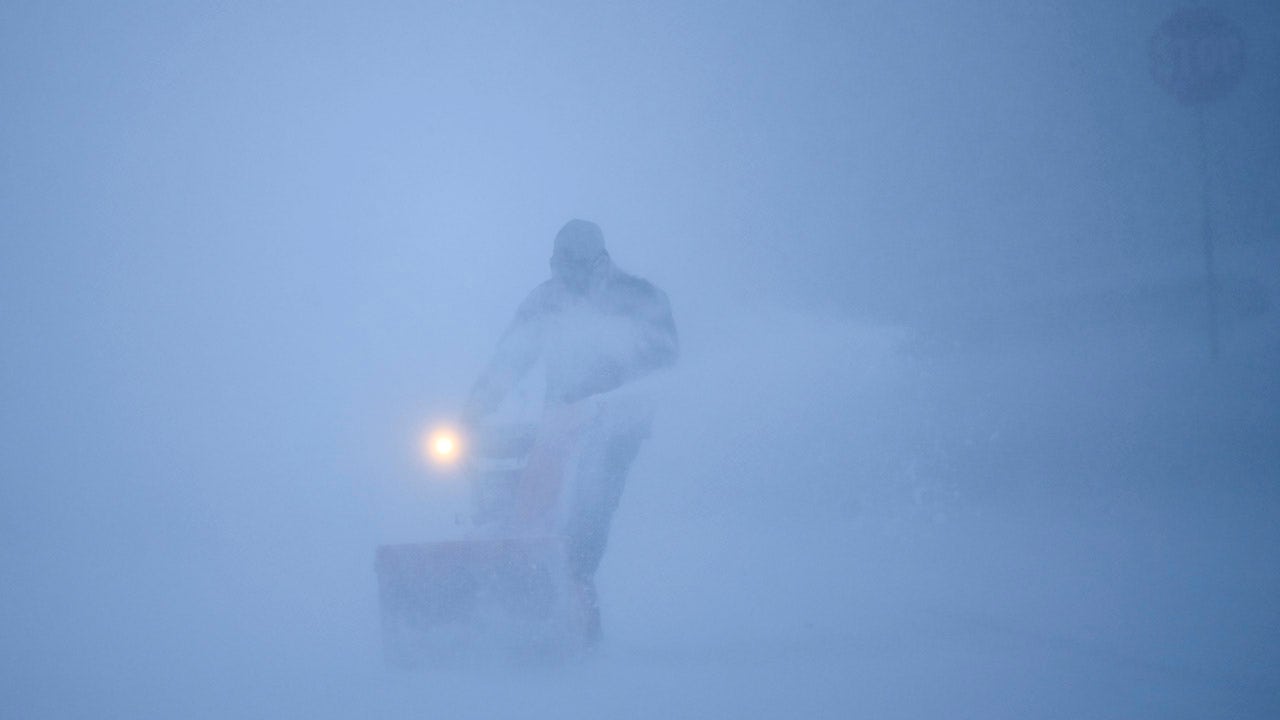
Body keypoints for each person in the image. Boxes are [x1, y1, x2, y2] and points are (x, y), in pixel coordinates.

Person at [462, 218, 678, 644]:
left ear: (598, 263)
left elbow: (664, 360)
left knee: (587, 512)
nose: (568, 279)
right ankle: (510, 594)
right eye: (559, 269)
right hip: (558, 423)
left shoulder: (638, 298)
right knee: (519, 504)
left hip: (617, 428)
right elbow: (512, 357)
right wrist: (477, 407)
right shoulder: (546, 301)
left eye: (575, 269)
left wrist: (610, 405)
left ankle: (574, 599)